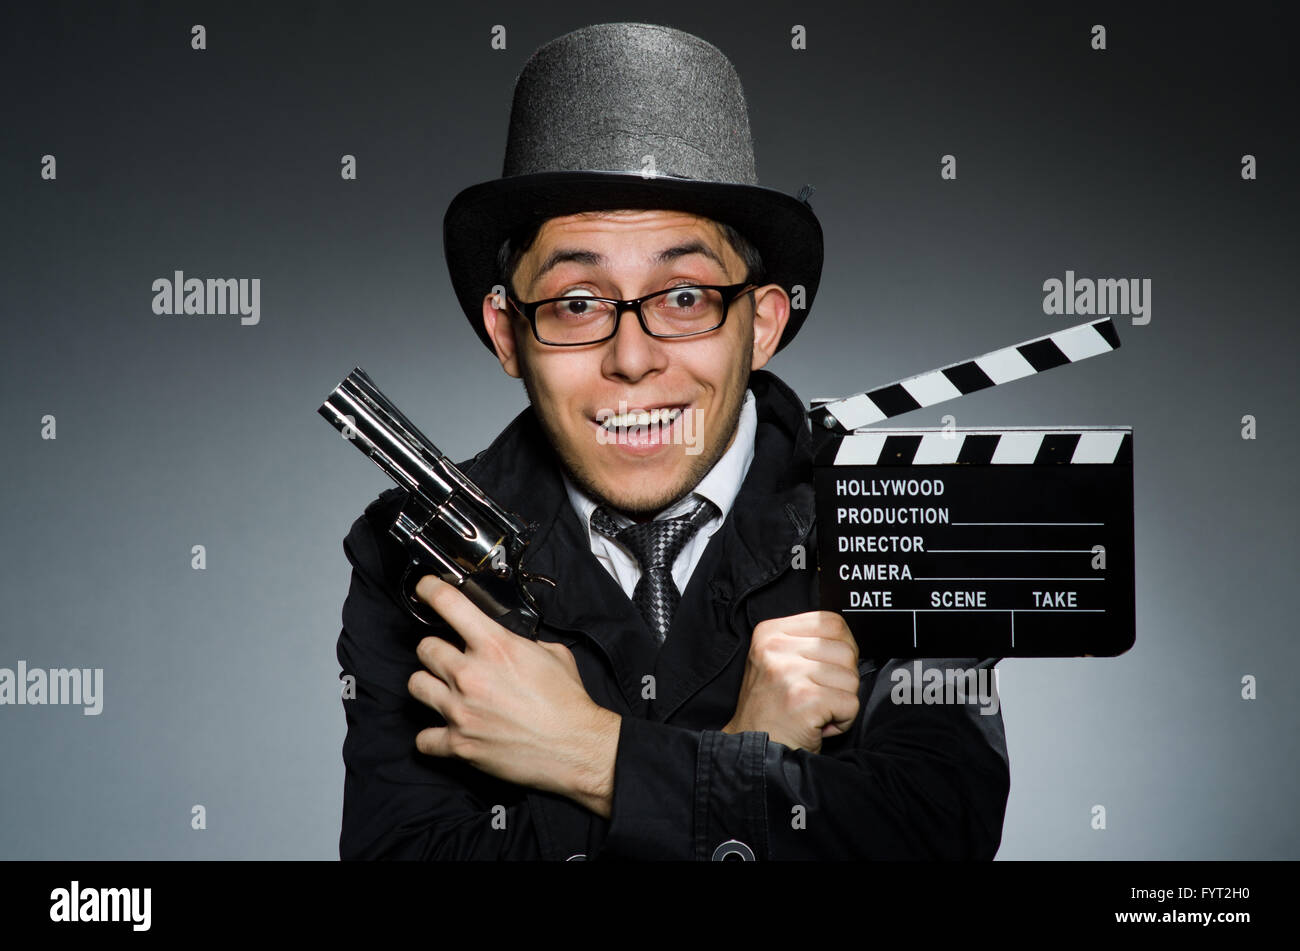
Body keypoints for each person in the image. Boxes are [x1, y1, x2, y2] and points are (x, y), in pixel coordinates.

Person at [335, 22, 1010, 860]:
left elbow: (936, 835)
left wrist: (592, 754)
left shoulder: (903, 518)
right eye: (577, 303)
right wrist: (746, 751)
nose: (632, 358)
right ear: (508, 336)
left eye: (685, 296)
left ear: (762, 323)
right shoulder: (413, 556)